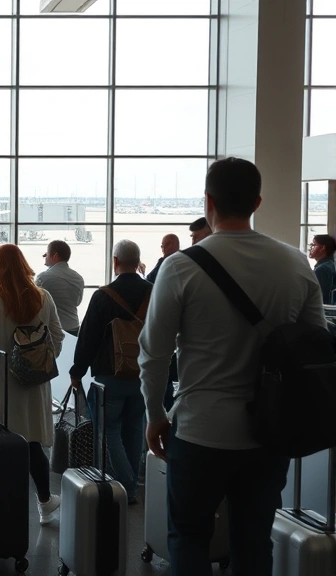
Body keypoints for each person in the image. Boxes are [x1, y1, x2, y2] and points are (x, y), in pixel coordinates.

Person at [139, 158, 326, 576]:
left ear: (208, 201)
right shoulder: (295, 263)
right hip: (269, 433)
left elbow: (153, 353)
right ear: (257, 202)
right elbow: (315, 345)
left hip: (199, 430)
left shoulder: (181, 266)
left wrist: (154, 415)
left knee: (188, 538)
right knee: (254, 542)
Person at [0, 243, 63, 525]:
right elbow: (57, 336)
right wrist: (40, 361)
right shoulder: (43, 297)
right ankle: (44, 502)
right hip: (33, 384)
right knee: (32, 443)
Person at [69, 240, 152, 504]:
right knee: (135, 428)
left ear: (115, 261)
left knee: (110, 430)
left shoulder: (104, 296)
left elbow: (88, 338)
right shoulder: (154, 292)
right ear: (137, 262)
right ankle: (132, 486)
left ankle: (126, 486)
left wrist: (77, 371)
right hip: (143, 375)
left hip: (110, 376)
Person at [35, 240, 85, 337]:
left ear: (55, 256)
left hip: (52, 328)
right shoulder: (78, 278)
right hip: (73, 327)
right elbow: (77, 302)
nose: (44, 256)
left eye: (47, 253)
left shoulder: (43, 278)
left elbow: (35, 303)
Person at [309, 233, 336, 305]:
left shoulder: (322, 269)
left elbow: (320, 298)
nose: (310, 248)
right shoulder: (329, 264)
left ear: (322, 248)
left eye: (313, 245)